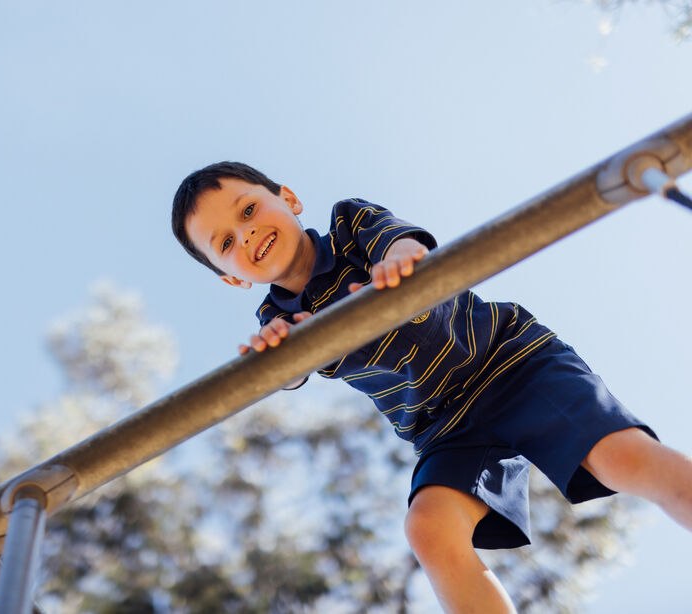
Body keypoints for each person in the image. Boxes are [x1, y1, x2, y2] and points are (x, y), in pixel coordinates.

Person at [171, 161, 692, 613]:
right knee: (429, 530)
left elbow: (403, 241)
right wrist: (279, 355)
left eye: (248, 211)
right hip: (443, 428)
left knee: (621, 457)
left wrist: (400, 258)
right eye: (226, 243)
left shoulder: (349, 225)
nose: (246, 235)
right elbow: (288, 372)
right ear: (231, 278)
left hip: (510, 363)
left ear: (288, 199)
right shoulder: (279, 321)